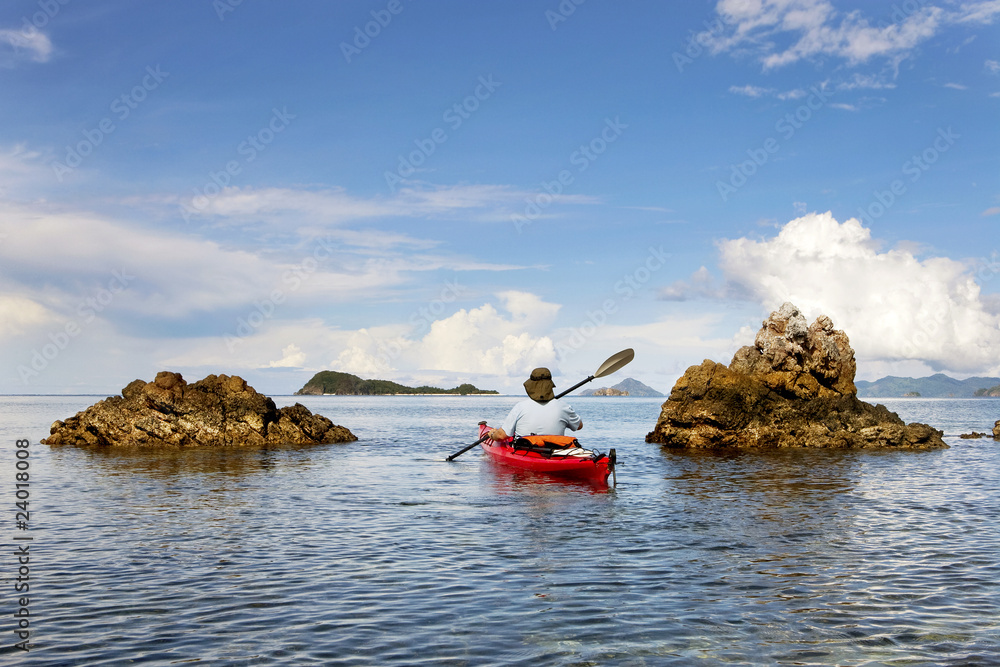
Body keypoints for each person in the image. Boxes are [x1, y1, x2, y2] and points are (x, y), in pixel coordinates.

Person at [488, 367, 582, 441]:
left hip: (526, 451)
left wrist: (492, 434)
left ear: (531, 386)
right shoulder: (564, 407)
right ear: (550, 385)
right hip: (555, 452)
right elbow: (579, 426)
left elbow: (501, 436)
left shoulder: (520, 407)